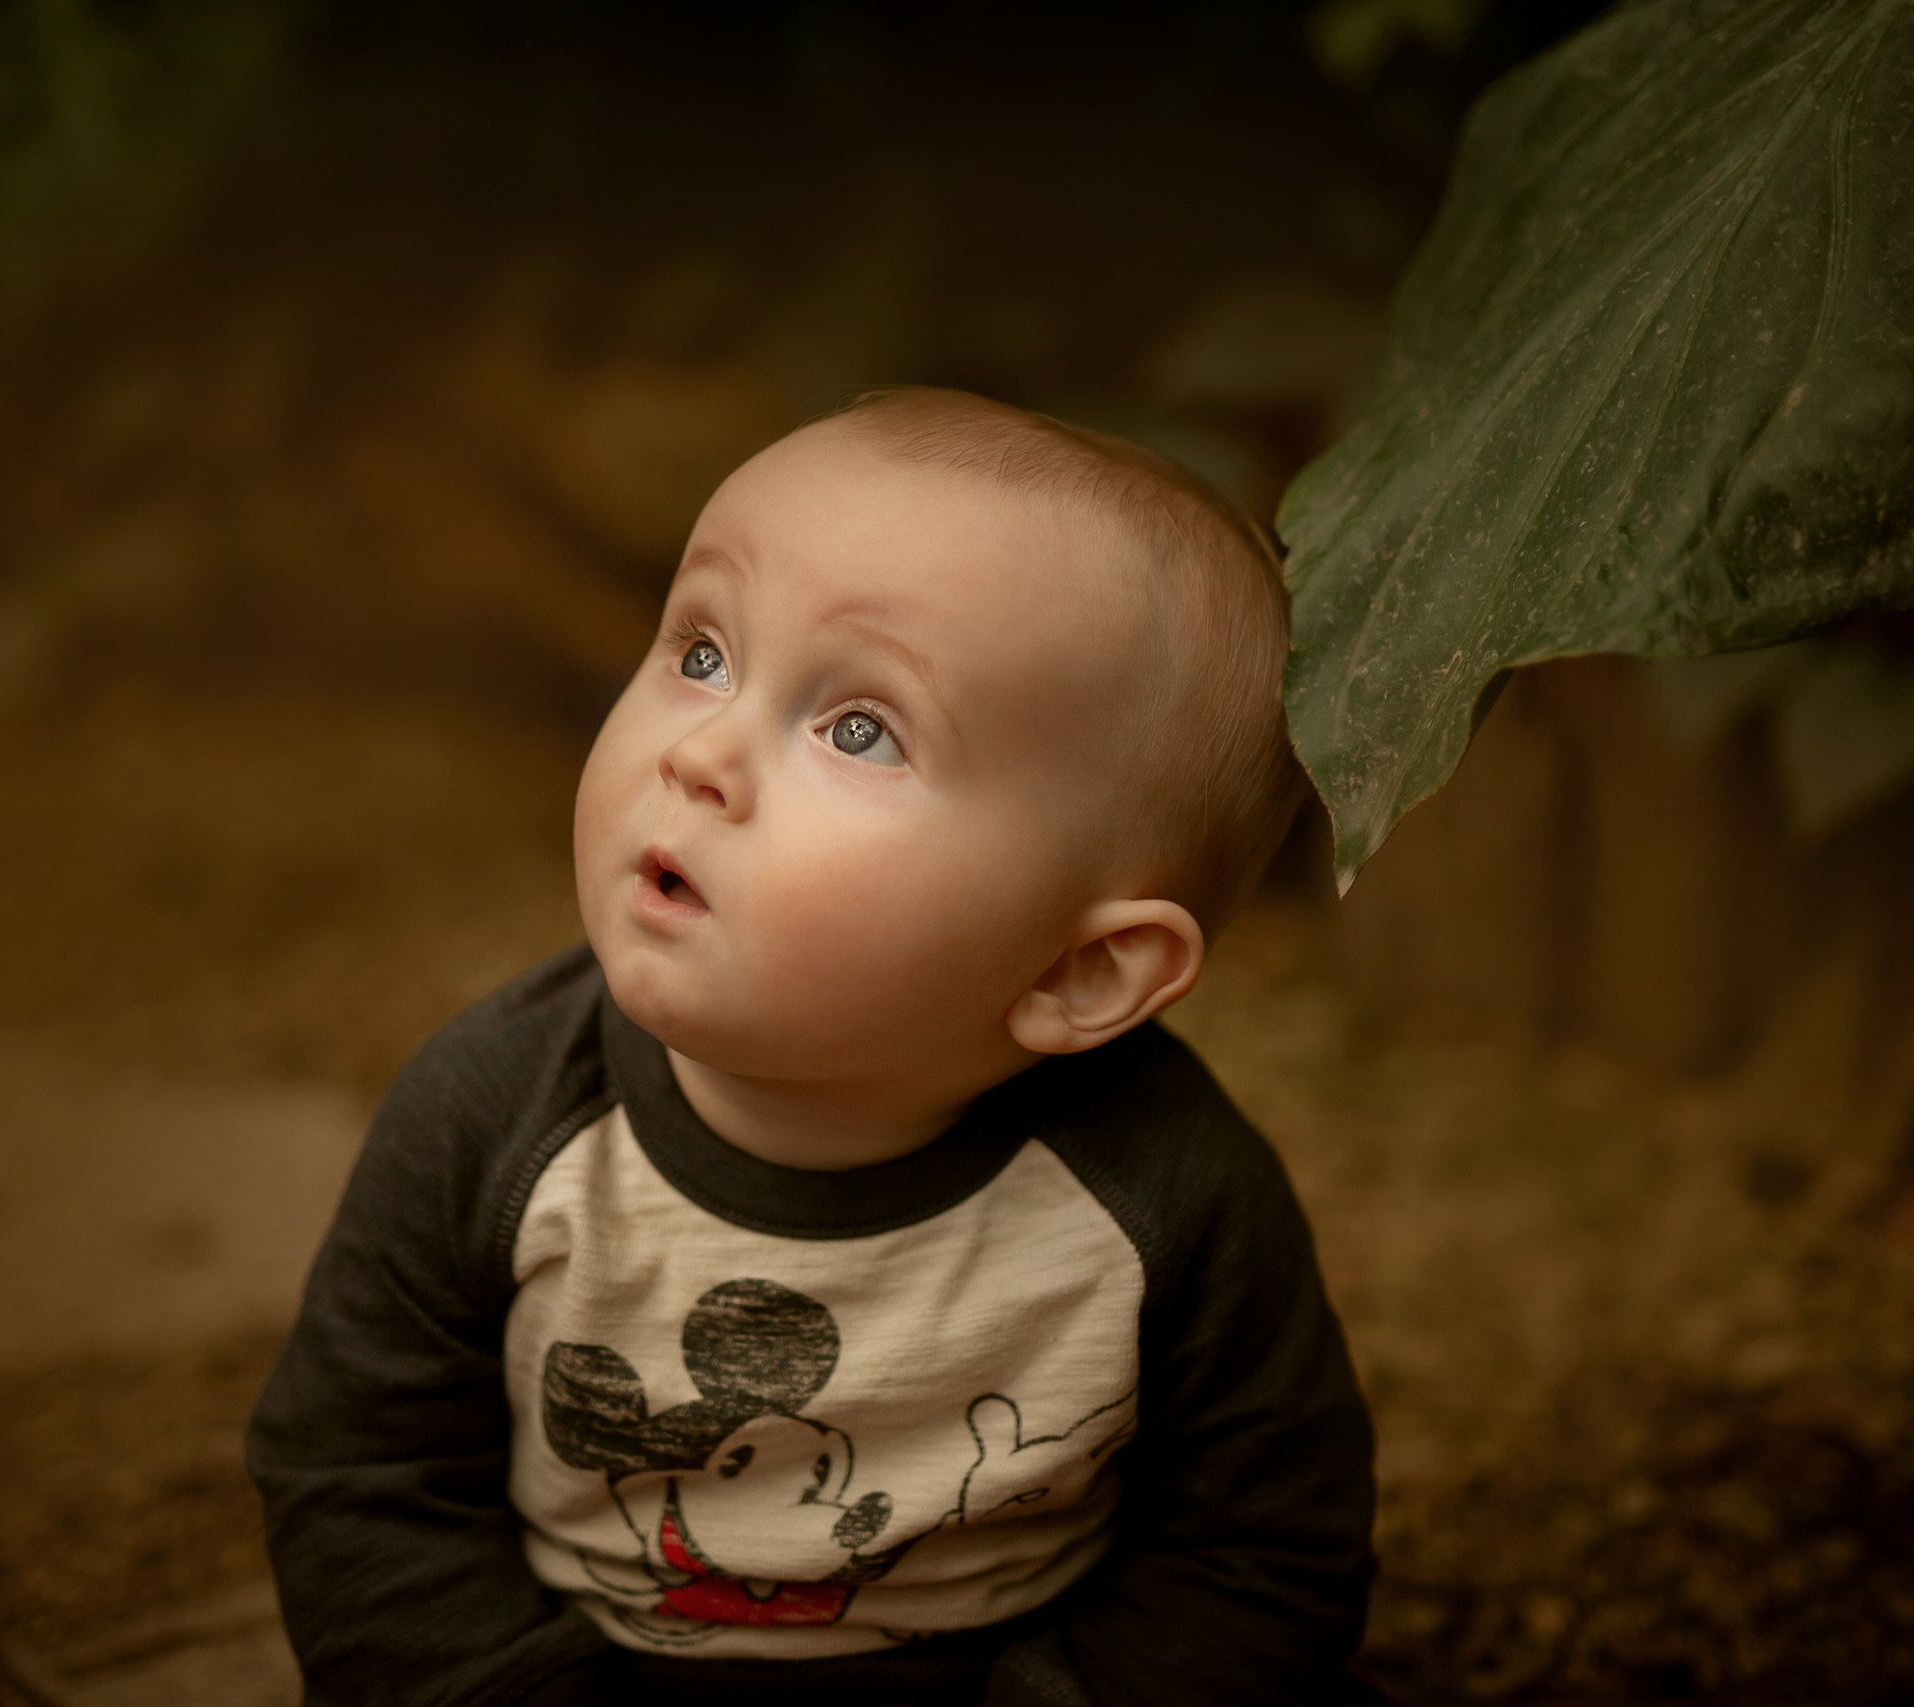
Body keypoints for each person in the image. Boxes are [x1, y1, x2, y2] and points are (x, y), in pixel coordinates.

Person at [248, 387, 1376, 1706]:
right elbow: (358, 1481)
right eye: (704, 652)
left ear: (1082, 971)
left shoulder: (1165, 1198)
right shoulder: (494, 1120)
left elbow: (1261, 1555)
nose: (704, 754)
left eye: (859, 730)